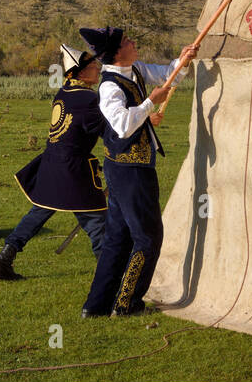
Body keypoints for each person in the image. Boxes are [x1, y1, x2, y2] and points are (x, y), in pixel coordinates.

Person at [79, 27, 197, 317]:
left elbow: (166, 76)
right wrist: (148, 104)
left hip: (134, 168)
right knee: (148, 237)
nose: (134, 43)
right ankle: (127, 303)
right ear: (117, 52)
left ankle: (95, 306)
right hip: (128, 170)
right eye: (128, 41)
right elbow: (122, 125)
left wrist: (183, 61)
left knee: (118, 239)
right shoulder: (109, 87)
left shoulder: (136, 70)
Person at [0, 45, 109, 280]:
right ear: (81, 73)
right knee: (97, 224)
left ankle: (3, 260)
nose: (99, 70)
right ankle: (109, 279)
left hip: (52, 165)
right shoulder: (86, 98)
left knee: (37, 214)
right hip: (74, 171)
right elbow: (108, 131)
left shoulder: (64, 92)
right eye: (95, 67)